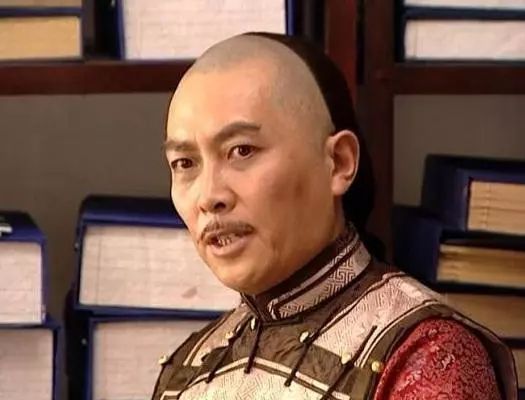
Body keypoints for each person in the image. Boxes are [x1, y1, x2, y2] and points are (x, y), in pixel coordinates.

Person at [153, 33, 517, 400]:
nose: (209, 196)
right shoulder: (187, 369)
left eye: (242, 150)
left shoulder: (427, 354)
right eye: (184, 163)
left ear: (339, 162)